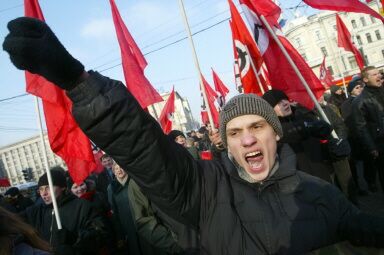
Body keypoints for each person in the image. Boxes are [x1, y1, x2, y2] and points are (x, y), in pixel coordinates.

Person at [3, 17, 384, 254]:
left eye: (257, 128)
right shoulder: (204, 190)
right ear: (225, 142)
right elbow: (141, 145)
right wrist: (76, 80)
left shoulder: (320, 195)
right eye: (235, 132)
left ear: (276, 134)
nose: (247, 140)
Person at [22, 168, 108, 255]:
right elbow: (13, 222)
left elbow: (101, 233)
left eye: (48, 188)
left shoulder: (81, 206)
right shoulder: (37, 212)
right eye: (41, 189)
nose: (44, 193)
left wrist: (75, 242)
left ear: (62, 187)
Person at [107, 162, 182, 255]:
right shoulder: (112, 189)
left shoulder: (135, 183)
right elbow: (115, 213)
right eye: (117, 168)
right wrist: (120, 235)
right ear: (113, 171)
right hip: (129, 228)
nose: (119, 170)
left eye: (121, 167)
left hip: (144, 226)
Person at [351, 66, 384, 193]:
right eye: (374, 74)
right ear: (365, 79)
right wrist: (372, 148)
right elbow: (361, 127)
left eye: (378, 73)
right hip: (380, 143)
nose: (379, 76)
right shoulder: (360, 101)